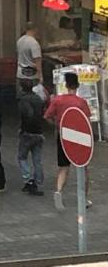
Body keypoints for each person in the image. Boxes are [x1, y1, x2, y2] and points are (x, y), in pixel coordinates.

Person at [44, 71, 91, 211]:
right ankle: (84, 198)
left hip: (62, 135)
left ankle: (58, 191)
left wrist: (57, 125)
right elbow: (86, 120)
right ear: (77, 86)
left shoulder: (58, 100)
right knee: (83, 168)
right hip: (80, 137)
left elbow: (47, 116)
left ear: (65, 85)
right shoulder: (81, 102)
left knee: (63, 168)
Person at [17, 78, 46, 196]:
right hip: (39, 132)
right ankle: (38, 180)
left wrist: (23, 128)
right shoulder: (38, 98)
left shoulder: (23, 100)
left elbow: (28, 115)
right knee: (37, 159)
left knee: (22, 157)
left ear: (22, 88)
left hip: (28, 133)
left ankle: (28, 179)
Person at [16, 22, 43, 94]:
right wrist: (40, 76)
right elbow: (37, 61)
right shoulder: (34, 43)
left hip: (20, 74)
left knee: (21, 98)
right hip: (32, 77)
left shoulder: (19, 41)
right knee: (32, 98)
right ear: (35, 29)